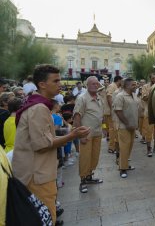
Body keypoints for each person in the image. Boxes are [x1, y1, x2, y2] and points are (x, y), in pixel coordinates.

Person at [12, 64, 90, 224]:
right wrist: (73, 135)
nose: (60, 84)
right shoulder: (39, 108)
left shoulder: (34, 103)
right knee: (46, 217)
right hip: (37, 174)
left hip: (33, 172)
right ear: (42, 84)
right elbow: (42, 144)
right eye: (56, 81)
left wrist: (68, 133)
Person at [73, 76, 104, 193]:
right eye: (92, 84)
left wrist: (104, 129)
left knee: (94, 156)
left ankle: (90, 177)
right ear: (87, 85)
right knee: (85, 158)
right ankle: (82, 181)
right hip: (86, 134)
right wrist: (80, 135)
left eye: (97, 84)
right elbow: (77, 117)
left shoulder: (99, 97)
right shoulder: (82, 98)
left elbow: (101, 115)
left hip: (97, 132)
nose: (95, 86)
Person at [114, 78, 138, 178]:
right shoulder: (120, 96)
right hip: (124, 127)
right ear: (127, 86)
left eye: (135, 84)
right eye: (133, 85)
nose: (135, 86)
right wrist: (127, 124)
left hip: (132, 126)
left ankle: (125, 165)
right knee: (124, 148)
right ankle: (122, 168)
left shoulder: (134, 95)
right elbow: (118, 111)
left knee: (129, 147)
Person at [106, 75, 123, 153]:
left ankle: (115, 146)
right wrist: (113, 109)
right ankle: (111, 147)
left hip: (114, 111)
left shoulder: (116, 86)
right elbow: (109, 97)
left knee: (115, 129)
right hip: (111, 111)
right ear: (119, 80)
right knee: (112, 129)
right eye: (121, 81)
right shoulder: (112, 86)